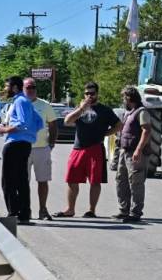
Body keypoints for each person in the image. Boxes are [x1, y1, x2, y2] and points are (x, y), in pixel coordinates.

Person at [55, 82, 121, 218]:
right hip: (78, 148)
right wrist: (81, 109)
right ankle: (70, 209)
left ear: (97, 94)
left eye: (92, 93)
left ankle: (91, 210)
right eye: (87, 93)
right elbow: (67, 121)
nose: (90, 96)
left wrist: (106, 133)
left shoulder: (104, 110)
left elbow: (119, 125)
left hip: (95, 148)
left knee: (95, 181)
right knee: (71, 179)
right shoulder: (79, 108)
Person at [0, 76, 43, 225]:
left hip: (15, 144)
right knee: (21, 180)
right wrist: (28, 135)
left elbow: (22, 123)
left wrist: (5, 129)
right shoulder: (25, 101)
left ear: (15, 87)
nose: (5, 89)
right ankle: (23, 215)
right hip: (24, 144)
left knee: (8, 181)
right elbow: (39, 122)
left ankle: (13, 214)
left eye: (6, 86)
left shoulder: (20, 101)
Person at [114, 86, 151, 223]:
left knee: (136, 182)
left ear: (129, 98)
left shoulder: (142, 112)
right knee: (121, 180)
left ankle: (135, 213)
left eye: (124, 97)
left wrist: (138, 150)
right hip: (125, 151)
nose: (123, 100)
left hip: (135, 153)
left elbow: (146, 131)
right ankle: (124, 210)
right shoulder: (128, 112)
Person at [23, 78, 58, 220]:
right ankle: (25, 211)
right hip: (22, 149)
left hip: (41, 149)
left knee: (43, 181)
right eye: (28, 87)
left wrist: (51, 144)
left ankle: (43, 210)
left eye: (33, 87)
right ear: (23, 89)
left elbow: (53, 125)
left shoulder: (44, 105)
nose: (31, 90)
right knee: (23, 182)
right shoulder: (18, 104)